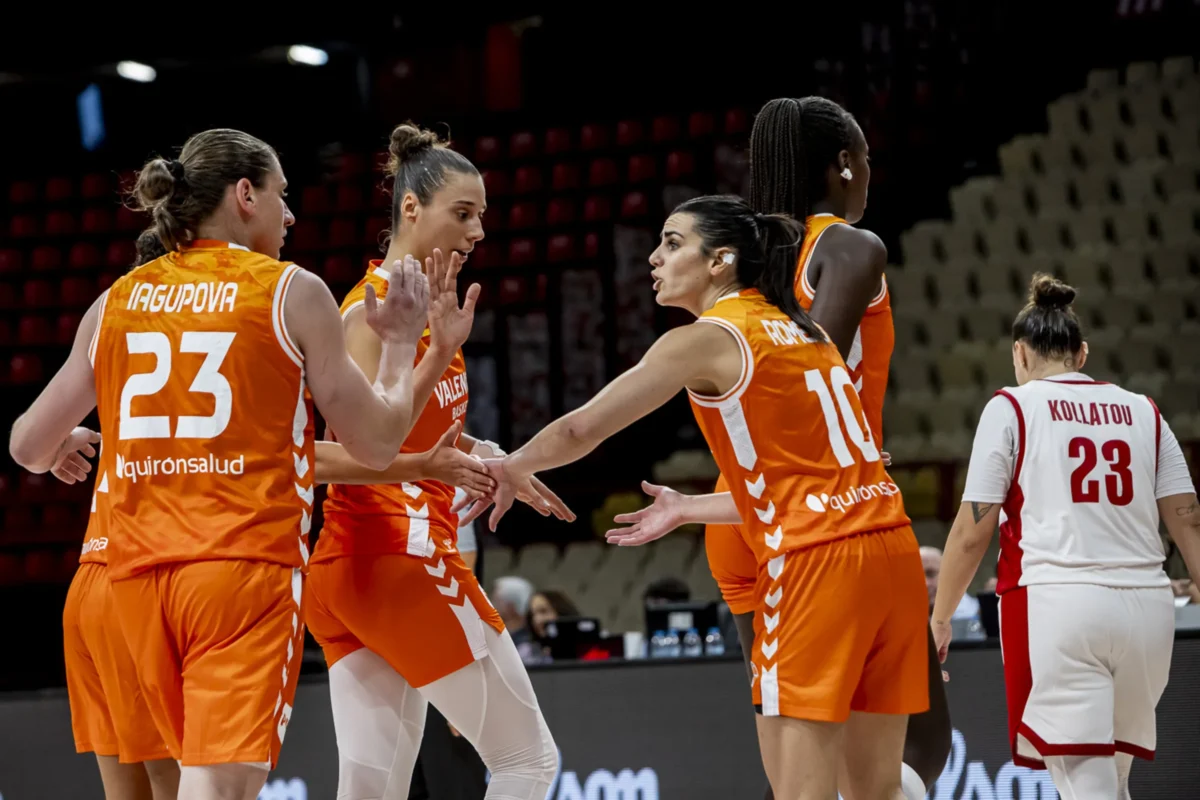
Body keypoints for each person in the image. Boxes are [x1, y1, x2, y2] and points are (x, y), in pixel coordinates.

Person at [9, 128, 431, 800]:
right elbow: (376, 444)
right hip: (240, 571)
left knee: (175, 786)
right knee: (216, 790)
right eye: (281, 195)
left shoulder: (117, 298)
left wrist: (65, 441)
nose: (289, 216)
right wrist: (403, 345)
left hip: (134, 581)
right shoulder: (290, 290)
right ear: (244, 195)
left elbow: (27, 447)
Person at [472, 194, 928, 799]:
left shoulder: (708, 338)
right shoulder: (805, 328)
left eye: (672, 242)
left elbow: (582, 429)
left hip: (817, 565)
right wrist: (688, 508)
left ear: (720, 261)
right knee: (878, 790)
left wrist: (509, 466)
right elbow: (805, 484)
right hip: (892, 551)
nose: (654, 258)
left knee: (800, 792)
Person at [304, 122, 569, 800]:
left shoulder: (427, 307)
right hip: (399, 554)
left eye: (482, 215)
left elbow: (416, 429)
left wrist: (488, 457)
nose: (478, 230)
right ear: (411, 208)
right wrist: (427, 465)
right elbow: (324, 455)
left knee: (373, 792)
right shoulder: (369, 313)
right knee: (528, 762)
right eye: (463, 213)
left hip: (357, 570)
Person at [733, 95, 950, 799]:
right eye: (868, 160)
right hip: (832, 515)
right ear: (845, 164)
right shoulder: (851, 247)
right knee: (921, 751)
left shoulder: (753, 259)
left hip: (750, 513)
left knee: (800, 772)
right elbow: (806, 375)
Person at [932, 274, 1200, 799]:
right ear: (1082, 354)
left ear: (1019, 353)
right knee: (1113, 780)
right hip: (1148, 610)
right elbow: (1186, 517)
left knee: (1084, 783)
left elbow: (971, 532)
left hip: (1059, 604)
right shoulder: (1145, 411)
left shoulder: (1012, 406)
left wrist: (940, 618)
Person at [55, 230, 179, 800]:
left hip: (88, 586)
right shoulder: (199, 352)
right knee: (177, 782)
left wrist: (59, 442)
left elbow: (34, 440)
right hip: (139, 583)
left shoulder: (118, 346)